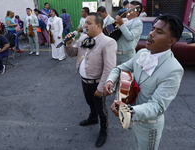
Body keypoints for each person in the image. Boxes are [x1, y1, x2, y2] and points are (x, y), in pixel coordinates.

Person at [104, 14, 184, 150]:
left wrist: (128, 111)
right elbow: (120, 68)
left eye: (159, 32)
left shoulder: (174, 69)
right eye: (152, 29)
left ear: (172, 40)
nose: (151, 34)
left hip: (148, 125)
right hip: (133, 119)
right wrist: (110, 80)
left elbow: (157, 106)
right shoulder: (142, 53)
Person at [64, 12, 117, 147]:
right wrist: (68, 44)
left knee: (102, 109)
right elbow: (72, 53)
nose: (85, 25)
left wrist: (101, 88)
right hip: (84, 81)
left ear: (98, 25)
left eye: (89, 23)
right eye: (85, 23)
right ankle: (93, 118)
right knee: (90, 102)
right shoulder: (82, 38)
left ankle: (104, 131)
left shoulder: (108, 42)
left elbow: (109, 68)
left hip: (97, 83)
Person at [115, 1, 143, 65]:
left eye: (130, 9)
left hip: (127, 56)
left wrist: (121, 24)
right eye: (128, 8)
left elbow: (130, 37)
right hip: (116, 55)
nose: (127, 11)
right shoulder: (124, 20)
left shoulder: (138, 23)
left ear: (137, 13)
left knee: (125, 75)